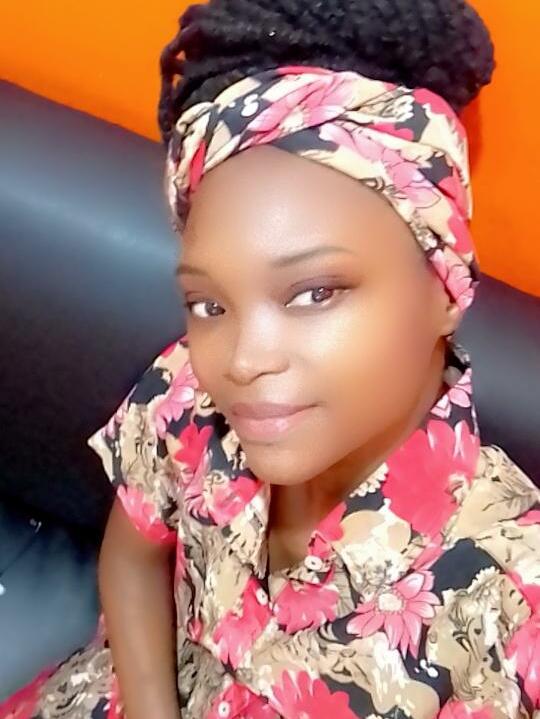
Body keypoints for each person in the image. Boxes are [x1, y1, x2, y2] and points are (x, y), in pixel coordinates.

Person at [2, 1, 539, 718]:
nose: (242, 361)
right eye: (209, 304)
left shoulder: (511, 604)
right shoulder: (187, 393)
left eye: (315, 291)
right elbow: (132, 557)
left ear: (446, 287)